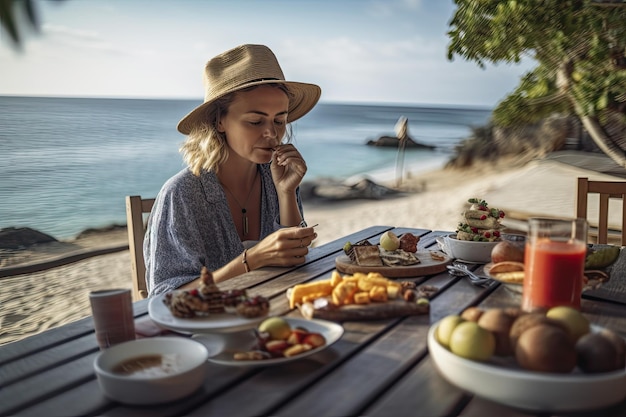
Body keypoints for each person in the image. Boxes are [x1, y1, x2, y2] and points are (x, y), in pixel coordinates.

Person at [145, 44, 321, 296]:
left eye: (279, 120)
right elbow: (164, 298)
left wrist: (286, 193)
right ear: (219, 121)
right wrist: (251, 260)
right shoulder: (182, 193)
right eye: (255, 121)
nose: (271, 133)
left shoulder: (277, 178)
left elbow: (293, 265)